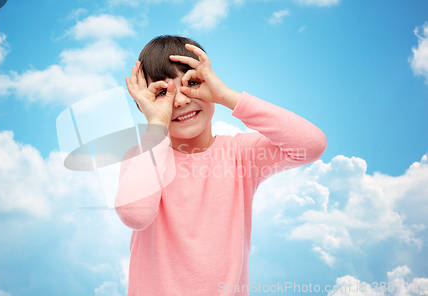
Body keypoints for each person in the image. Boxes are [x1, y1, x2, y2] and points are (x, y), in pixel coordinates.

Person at [114, 35, 327, 295]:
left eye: (192, 83)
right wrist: (156, 125)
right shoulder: (142, 157)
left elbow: (312, 144)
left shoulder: (241, 154)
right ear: (142, 105)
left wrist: (227, 96)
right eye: (161, 93)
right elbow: (135, 216)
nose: (180, 101)